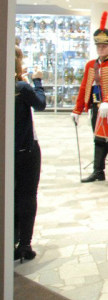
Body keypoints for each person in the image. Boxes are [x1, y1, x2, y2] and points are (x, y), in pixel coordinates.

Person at [71, 12, 108, 186]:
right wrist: (77, 110)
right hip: (96, 107)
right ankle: (98, 171)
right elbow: (84, 88)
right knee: (98, 139)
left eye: (104, 46)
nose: (101, 49)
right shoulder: (91, 65)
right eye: (99, 46)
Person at [14, 47, 46, 262]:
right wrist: (37, 82)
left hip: (11, 149)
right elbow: (40, 104)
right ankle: (24, 244)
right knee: (27, 195)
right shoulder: (21, 88)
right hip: (25, 149)